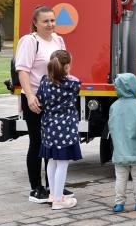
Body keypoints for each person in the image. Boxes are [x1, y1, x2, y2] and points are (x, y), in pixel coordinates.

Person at [15, 6, 73, 203]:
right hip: (35, 98)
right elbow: (22, 71)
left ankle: (53, 187)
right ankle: (36, 188)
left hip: (53, 99)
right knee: (37, 143)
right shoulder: (29, 42)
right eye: (45, 21)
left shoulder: (58, 40)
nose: (50, 24)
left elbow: (62, 68)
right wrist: (30, 97)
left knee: (53, 143)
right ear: (35, 23)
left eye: (52, 20)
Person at [36, 50, 81, 210]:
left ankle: (53, 195)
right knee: (62, 163)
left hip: (49, 127)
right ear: (67, 66)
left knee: (52, 161)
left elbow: (40, 99)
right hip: (66, 128)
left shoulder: (43, 82)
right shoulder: (74, 83)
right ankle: (58, 200)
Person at [108, 73, 136, 213]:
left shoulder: (114, 106)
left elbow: (111, 127)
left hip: (120, 150)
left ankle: (119, 204)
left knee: (120, 178)